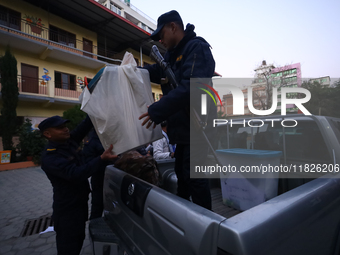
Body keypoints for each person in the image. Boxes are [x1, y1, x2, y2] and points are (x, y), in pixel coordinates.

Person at [139, 10, 216, 210]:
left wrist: (157, 110)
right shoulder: (171, 56)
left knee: (194, 177)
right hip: (183, 128)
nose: (159, 41)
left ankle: (207, 223)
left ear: (173, 27)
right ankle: (185, 217)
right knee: (182, 175)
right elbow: (157, 72)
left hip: (199, 127)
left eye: (161, 35)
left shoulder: (197, 48)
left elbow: (191, 86)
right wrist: (132, 71)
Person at [39, 115, 117, 255]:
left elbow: (85, 125)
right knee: (69, 247)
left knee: (79, 239)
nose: (65, 129)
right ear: (47, 134)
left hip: (80, 204)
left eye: (65, 126)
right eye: (60, 128)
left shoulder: (68, 142)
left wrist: (93, 105)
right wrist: (101, 159)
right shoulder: (50, 157)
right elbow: (76, 174)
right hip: (67, 210)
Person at [82, 129, 106, 220]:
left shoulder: (110, 137)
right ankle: (94, 227)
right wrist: (102, 159)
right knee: (97, 206)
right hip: (100, 179)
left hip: (114, 178)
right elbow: (88, 164)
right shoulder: (92, 141)